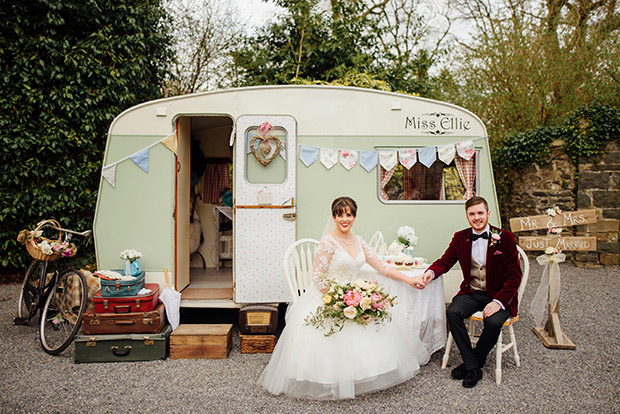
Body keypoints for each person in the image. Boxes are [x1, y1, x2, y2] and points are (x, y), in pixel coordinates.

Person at [259, 196, 430, 399]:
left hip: (355, 294)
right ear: (333, 217)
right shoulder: (328, 242)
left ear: (355, 217)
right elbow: (318, 277)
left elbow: (382, 266)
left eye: (348, 214)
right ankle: (330, 378)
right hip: (329, 296)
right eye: (340, 215)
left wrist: (408, 279)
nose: (344, 219)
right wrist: (338, 300)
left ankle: (363, 375)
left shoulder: (359, 242)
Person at [421, 196, 522, 388]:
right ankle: (474, 367)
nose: (477, 217)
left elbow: (514, 276)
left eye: (480, 213)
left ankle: (474, 360)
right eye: (472, 214)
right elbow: (445, 261)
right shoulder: (460, 237)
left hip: (499, 295)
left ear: (488, 214)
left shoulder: (505, 238)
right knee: (452, 312)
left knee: (493, 322)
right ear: (467, 216)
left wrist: (498, 302)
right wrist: (430, 273)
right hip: (472, 292)